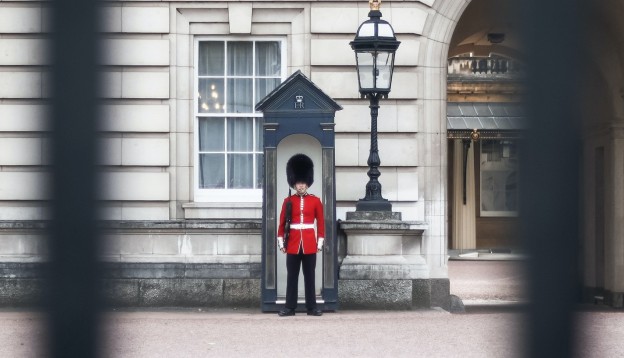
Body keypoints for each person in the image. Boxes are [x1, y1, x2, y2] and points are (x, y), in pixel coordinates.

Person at [277, 153, 324, 317]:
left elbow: (321, 223)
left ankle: (312, 307)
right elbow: (282, 224)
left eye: (303, 183)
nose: (301, 186)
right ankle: (290, 307)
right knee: (292, 277)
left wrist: (320, 243)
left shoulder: (315, 201)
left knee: (310, 277)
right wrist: (282, 243)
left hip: (310, 243)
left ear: (308, 183)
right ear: (294, 183)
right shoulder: (287, 201)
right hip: (293, 243)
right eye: (298, 183)